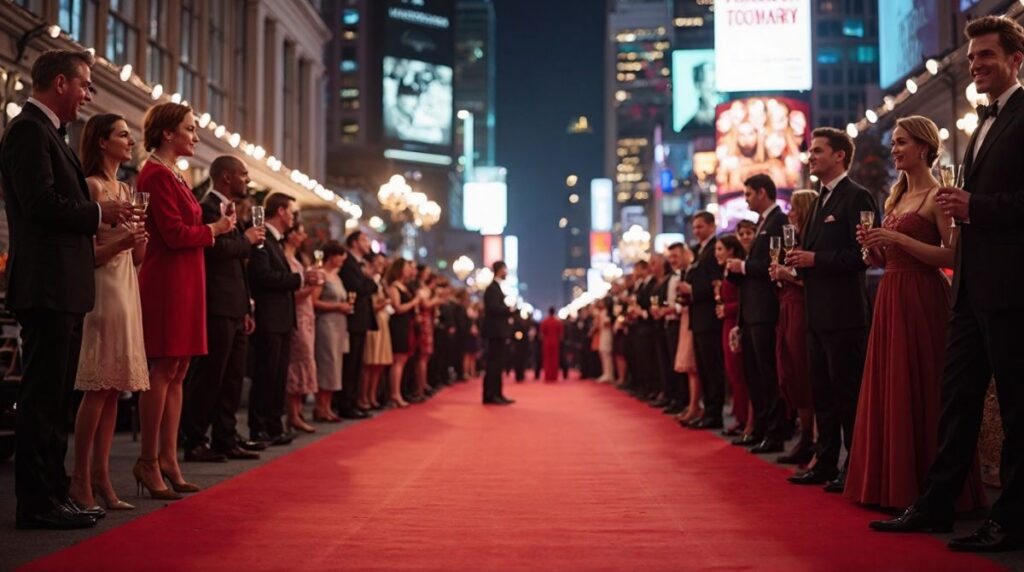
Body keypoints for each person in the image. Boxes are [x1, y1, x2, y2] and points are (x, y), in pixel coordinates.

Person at [872, 16, 1024, 552]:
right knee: (954, 401)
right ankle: (936, 504)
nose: (978, 64)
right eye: (974, 56)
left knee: (1014, 406)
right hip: (967, 291)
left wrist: (973, 206)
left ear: (1015, 60)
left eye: (987, 55)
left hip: (1009, 291)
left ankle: (1010, 518)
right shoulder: (982, 124)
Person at [2, 49, 132, 529]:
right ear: (60, 83)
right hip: (46, 284)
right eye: (84, 85)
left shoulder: (48, 134)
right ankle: (37, 504)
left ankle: (56, 495)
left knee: (57, 398)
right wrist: (101, 214)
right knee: (43, 398)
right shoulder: (28, 132)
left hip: (63, 284)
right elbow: (40, 204)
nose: (87, 95)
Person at [845, 116, 987, 513]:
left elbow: (954, 256)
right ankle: (890, 485)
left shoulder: (938, 196)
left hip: (923, 296)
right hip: (890, 295)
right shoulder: (896, 197)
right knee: (891, 386)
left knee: (923, 386)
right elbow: (885, 257)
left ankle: (931, 489)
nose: (894, 149)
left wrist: (895, 237)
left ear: (924, 147)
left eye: (902, 142)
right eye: (893, 143)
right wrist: (873, 248)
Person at [136, 102, 235, 499]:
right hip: (167, 279)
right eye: (190, 129)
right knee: (163, 369)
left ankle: (168, 459)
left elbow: (185, 230)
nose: (195, 136)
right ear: (166, 133)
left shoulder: (174, 175)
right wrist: (216, 228)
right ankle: (147, 459)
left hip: (187, 276)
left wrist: (211, 227)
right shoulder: (155, 174)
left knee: (178, 370)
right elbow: (175, 233)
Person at [786, 127, 877, 493]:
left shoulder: (858, 197)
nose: (811, 156)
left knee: (847, 395)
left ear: (840, 155)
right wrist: (799, 264)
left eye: (818, 150)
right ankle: (824, 461)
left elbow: (863, 256)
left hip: (844, 315)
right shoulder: (821, 199)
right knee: (822, 392)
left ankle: (853, 465)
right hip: (816, 313)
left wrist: (814, 258)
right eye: (810, 151)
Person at [69, 115, 150, 514]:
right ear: (102, 142)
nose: (130, 140)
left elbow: (138, 257)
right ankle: (79, 476)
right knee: (97, 387)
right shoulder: (92, 188)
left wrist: (139, 238)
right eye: (122, 134)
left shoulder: (126, 189)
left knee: (115, 387)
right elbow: (86, 256)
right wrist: (120, 241)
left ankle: (102, 476)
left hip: (127, 290)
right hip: (102, 292)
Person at [182, 156, 264, 465]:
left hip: (234, 304)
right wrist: (246, 239)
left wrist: (245, 307)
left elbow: (236, 266)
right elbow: (213, 251)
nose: (248, 179)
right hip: (216, 303)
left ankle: (225, 437)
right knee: (209, 376)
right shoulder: (206, 208)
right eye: (244, 174)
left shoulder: (229, 210)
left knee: (232, 377)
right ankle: (195, 439)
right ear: (227, 177)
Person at [725, 174, 792, 454]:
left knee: (767, 375)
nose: (746, 199)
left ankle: (774, 433)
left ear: (762, 193)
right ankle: (761, 428)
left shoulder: (778, 221)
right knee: (754, 375)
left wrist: (743, 267)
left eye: (749, 194)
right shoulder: (764, 222)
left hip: (766, 311)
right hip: (753, 311)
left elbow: (772, 264)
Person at [248, 193, 319, 446]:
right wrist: (301, 279)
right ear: (280, 211)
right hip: (269, 316)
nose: (293, 217)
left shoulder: (275, 242)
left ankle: (275, 425)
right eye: (291, 211)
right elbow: (264, 277)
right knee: (266, 374)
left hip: (283, 317)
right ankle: (259, 427)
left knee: (279, 376)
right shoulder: (261, 238)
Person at [770, 190, 818, 467]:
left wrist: (787, 274)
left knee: (802, 371)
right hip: (787, 306)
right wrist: (779, 276)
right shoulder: (792, 241)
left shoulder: (808, 241)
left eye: (793, 209)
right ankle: (805, 435)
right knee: (788, 370)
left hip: (802, 307)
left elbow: (809, 279)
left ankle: (813, 439)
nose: (789, 213)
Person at [682, 212, 726, 429]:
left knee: (712, 368)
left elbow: (715, 284)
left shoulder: (714, 249)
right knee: (704, 369)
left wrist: (692, 289)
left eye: (700, 227)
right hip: (698, 317)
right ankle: (707, 409)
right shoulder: (699, 251)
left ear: (711, 226)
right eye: (694, 227)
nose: (696, 231)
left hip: (709, 318)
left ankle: (714, 413)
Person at [337, 231, 379, 419]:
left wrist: (368, 281)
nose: (368, 243)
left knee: (357, 364)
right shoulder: (349, 262)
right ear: (354, 243)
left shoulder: (359, 263)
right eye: (364, 240)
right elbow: (358, 288)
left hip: (360, 319)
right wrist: (371, 280)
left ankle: (353, 401)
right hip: (352, 319)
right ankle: (346, 403)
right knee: (350, 364)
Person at [714, 234, 750, 440]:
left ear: (731, 251)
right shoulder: (726, 270)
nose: (716, 253)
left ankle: (744, 418)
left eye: (720, 249)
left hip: (735, 325)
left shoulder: (736, 270)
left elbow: (743, 300)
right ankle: (739, 415)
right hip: (727, 324)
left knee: (739, 373)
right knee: (732, 373)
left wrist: (726, 309)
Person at [312, 241, 353, 421]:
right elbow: (314, 301)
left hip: (339, 323)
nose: (343, 260)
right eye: (340, 255)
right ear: (332, 256)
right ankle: (320, 407)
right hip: (326, 323)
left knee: (335, 366)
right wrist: (338, 306)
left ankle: (327, 406)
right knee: (326, 364)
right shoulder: (322, 275)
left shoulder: (337, 276)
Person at [283, 223, 317, 434]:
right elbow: (292, 293)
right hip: (295, 315)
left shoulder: (298, 259)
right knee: (297, 364)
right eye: (300, 232)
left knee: (305, 362)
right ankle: (292, 414)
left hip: (307, 315)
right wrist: (311, 288)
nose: (304, 236)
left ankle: (298, 411)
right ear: (290, 235)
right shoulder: (286, 259)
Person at [673, 244, 703, 425]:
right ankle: (692, 405)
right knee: (688, 366)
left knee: (692, 365)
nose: (673, 261)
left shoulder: (694, 268)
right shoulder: (684, 273)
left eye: (676, 256)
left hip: (694, 319)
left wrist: (687, 292)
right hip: (688, 318)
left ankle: (695, 405)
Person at [386, 258, 420, 407]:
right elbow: (397, 308)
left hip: (407, 324)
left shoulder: (405, 286)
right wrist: (414, 302)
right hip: (398, 324)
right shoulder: (394, 287)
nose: (409, 270)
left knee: (403, 360)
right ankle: (395, 394)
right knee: (398, 360)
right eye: (406, 267)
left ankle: (399, 391)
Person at [482, 261, 516, 405]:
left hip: (498, 332)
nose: (507, 272)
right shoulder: (492, 289)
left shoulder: (495, 288)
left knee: (497, 364)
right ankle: (491, 394)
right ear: (500, 270)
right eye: (505, 269)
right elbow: (493, 308)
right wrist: (508, 310)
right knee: (494, 364)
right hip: (495, 332)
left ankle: (496, 393)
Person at [362, 253, 392, 409]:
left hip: (383, 322)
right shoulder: (368, 279)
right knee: (369, 362)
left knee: (379, 364)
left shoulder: (382, 281)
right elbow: (370, 305)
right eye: (378, 262)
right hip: (373, 321)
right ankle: (364, 397)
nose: (381, 265)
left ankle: (372, 396)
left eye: (383, 262)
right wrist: (384, 303)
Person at [539, 307, 565, 382]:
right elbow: (561, 336)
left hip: (546, 342)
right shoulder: (558, 322)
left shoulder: (544, 322)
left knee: (547, 360)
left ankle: (548, 376)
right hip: (555, 342)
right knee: (555, 360)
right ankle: (554, 376)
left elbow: (541, 335)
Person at [593, 301, 615, 383]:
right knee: (603, 353)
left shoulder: (607, 312)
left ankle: (610, 374)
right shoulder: (600, 312)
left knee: (607, 353)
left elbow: (608, 322)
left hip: (607, 333)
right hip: (602, 333)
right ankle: (606, 373)